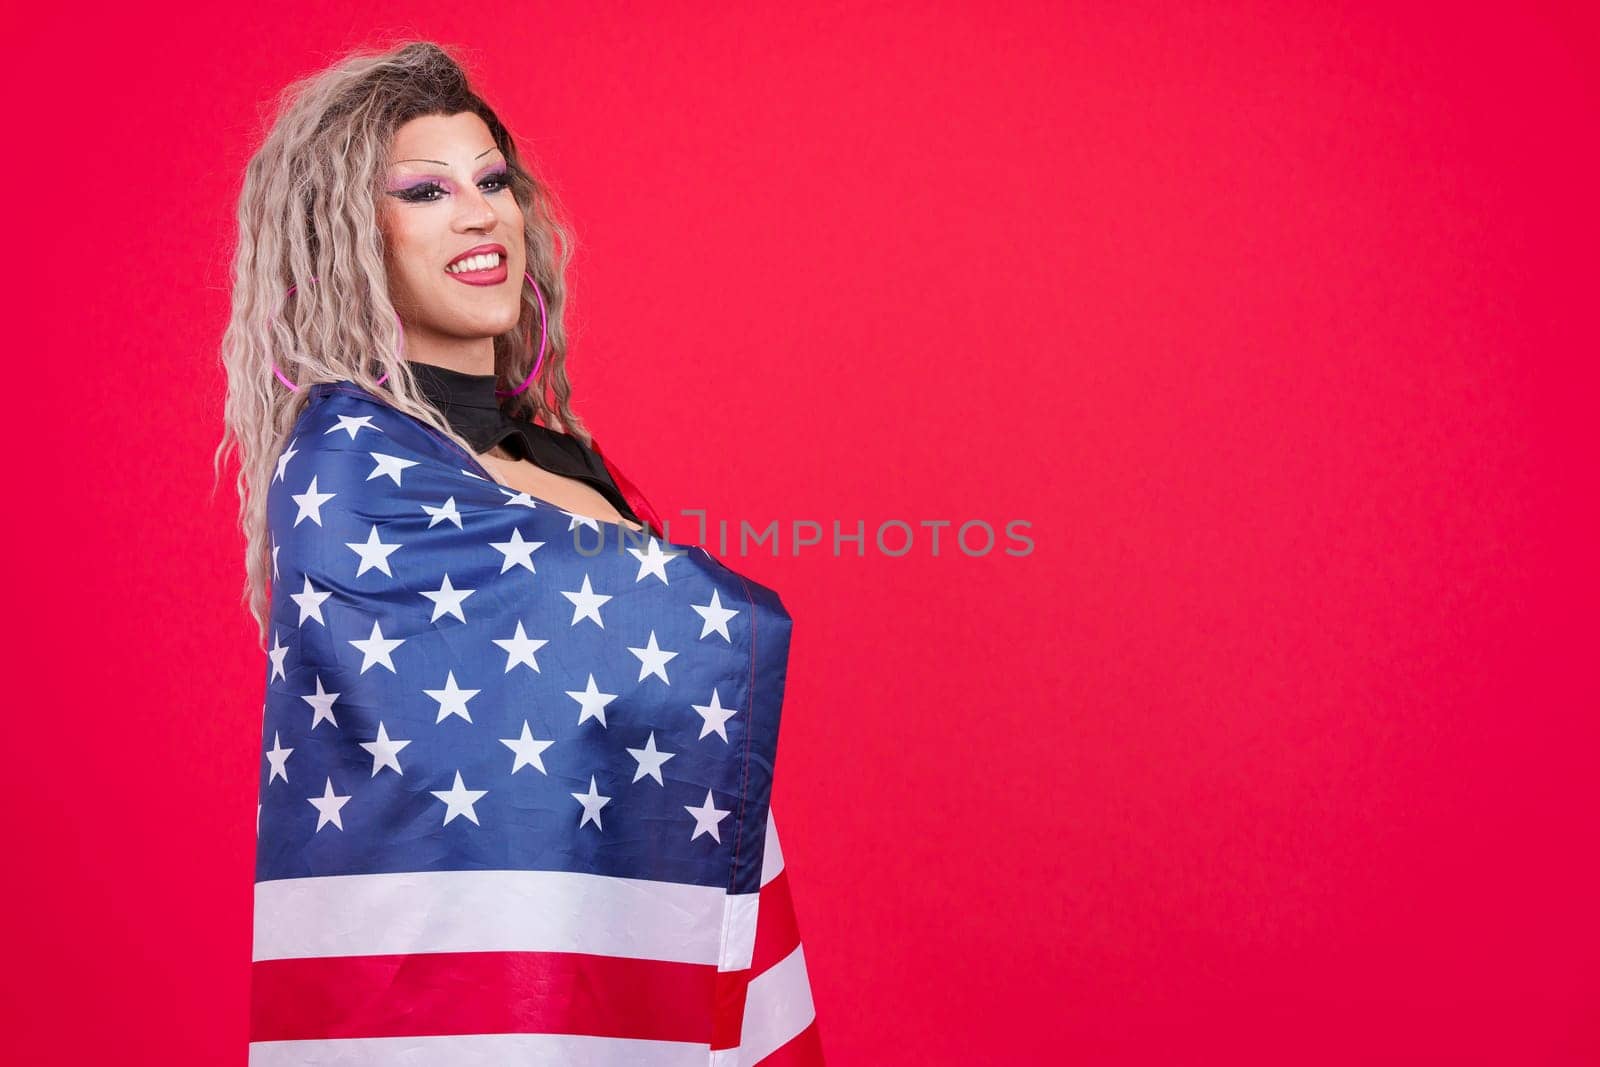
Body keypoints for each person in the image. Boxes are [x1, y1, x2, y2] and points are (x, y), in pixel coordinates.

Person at [216, 39, 823, 1065]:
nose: (478, 213)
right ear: (345, 237)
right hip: (456, 1008)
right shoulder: (350, 472)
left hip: (598, 957)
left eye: (491, 180)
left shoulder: (551, 453)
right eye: (424, 191)